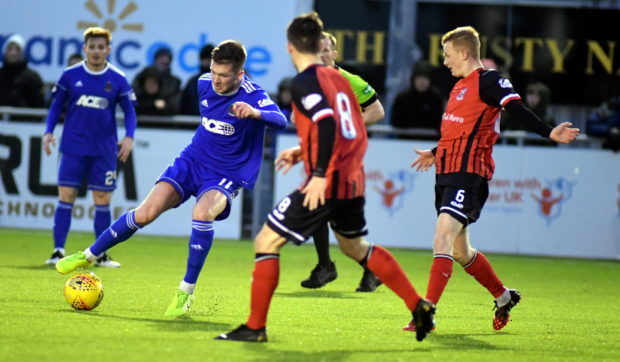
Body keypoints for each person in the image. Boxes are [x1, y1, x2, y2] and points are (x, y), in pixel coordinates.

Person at [215, 12, 435, 343]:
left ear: (291, 48)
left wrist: (317, 173)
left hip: (329, 179)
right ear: (320, 45)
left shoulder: (305, 82)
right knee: (355, 246)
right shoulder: (338, 79)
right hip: (351, 178)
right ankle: (418, 305)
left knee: (265, 241)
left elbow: (329, 124)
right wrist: (303, 153)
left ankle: (255, 327)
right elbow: (349, 126)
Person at [55, 40, 287, 317]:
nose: (217, 80)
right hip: (192, 161)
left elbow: (281, 120)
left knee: (202, 213)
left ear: (239, 75)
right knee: (145, 213)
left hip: (227, 173)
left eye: (224, 75)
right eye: (214, 72)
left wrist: (255, 113)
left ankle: (185, 292)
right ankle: (89, 255)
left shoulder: (252, 94)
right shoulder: (203, 83)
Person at [407, 26, 579, 332]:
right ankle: (503, 297)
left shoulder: (490, 80)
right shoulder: (460, 87)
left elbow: (515, 108)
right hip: (446, 172)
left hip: (468, 173)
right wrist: (435, 151)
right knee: (460, 252)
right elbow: (461, 130)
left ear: (463, 53)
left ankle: (426, 313)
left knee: (441, 236)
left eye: (447, 55)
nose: (444, 62)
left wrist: (549, 132)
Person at [297, 30, 386, 292]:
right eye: (316, 50)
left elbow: (377, 110)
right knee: (323, 211)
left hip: (342, 157)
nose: (321, 55)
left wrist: (345, 127)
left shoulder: (348, 80)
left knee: (322, 209)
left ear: (334, 54)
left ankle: (330, 266)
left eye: (325, 50)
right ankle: (360, 267)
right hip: (319, 153)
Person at [42, 27, 137, 267]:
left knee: (102, 198)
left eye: (101, 47)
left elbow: (130, 112)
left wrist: (129, 137)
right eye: (92, 46)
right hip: (73, 147)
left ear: (108, 50)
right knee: (66, 196)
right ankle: (57, 251)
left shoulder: (117, 78)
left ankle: (100, 254)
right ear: (85, 48)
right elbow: (56, 106)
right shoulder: (70, 75)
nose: (96, 51)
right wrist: (48, 132)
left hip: (104, 150)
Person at [390, 60, 444, 138]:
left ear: (430, 80)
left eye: (425, 78)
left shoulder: (436, 99)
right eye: (419, 78)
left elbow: (438, 124)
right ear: (413, 79)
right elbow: (395, 122)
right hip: (404, 143)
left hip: (429, 144)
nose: (422, 82)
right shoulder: (402, 98)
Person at [0, 33, 45, 108]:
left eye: (17, 49)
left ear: (22, 52)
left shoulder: (32, 77)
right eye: (10, 48)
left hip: (23, 119)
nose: (13, 53)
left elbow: (39, 104)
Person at [132, 47, 181, 114]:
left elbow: (173, 107)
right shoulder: (143, 76)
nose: (165, 60)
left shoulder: (174, 82)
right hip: (142, 121)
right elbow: (133, 101)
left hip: (164, 122)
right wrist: (154, 104)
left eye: (167, 60)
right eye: (161, 58)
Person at [180, 44, 215, 115]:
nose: (208, 62)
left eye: (211, 59)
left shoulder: (223, 82)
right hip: (193, 123)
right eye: (206, 58)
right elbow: (185, 106)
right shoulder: (193, 82)